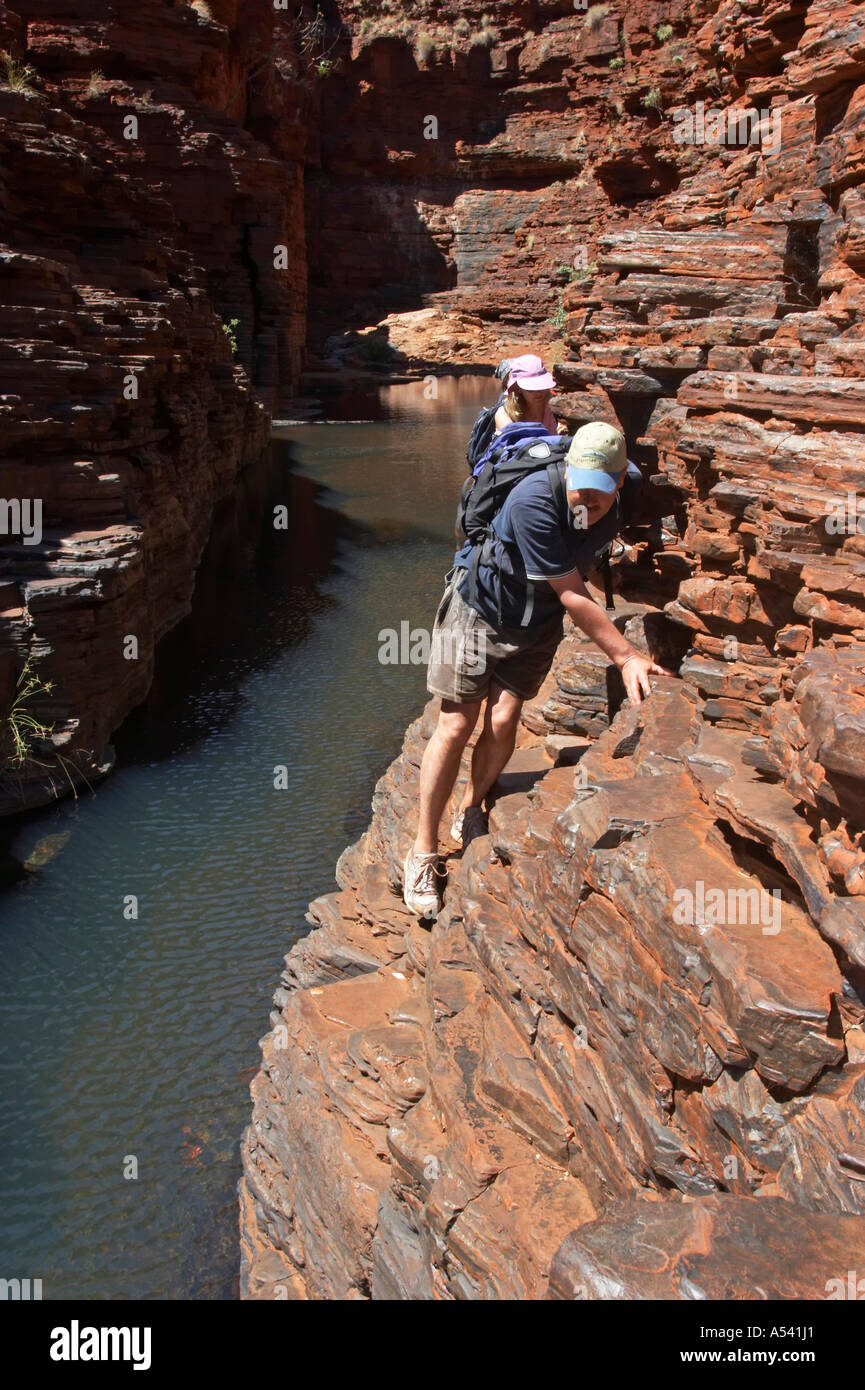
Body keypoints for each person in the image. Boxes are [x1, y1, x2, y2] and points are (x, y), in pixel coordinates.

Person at [402, 421, 673, 921]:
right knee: (456, 724)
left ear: (620, 483)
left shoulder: (628, 487)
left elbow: (580, 571)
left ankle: (471, 806)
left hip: (537, 621)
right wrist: (627, 656)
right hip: (480, 608)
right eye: (580, 490)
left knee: (504, 722)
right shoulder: (533, 499)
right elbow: (572, 594)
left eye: (599, 496)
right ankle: (422, 850)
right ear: (567, 469)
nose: (586, 504)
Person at [494, 354, 569, 437]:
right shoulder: (504, 415)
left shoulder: (555, 409)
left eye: (542, 386)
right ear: (518, 388)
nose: (538, 393)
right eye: (531, 389)